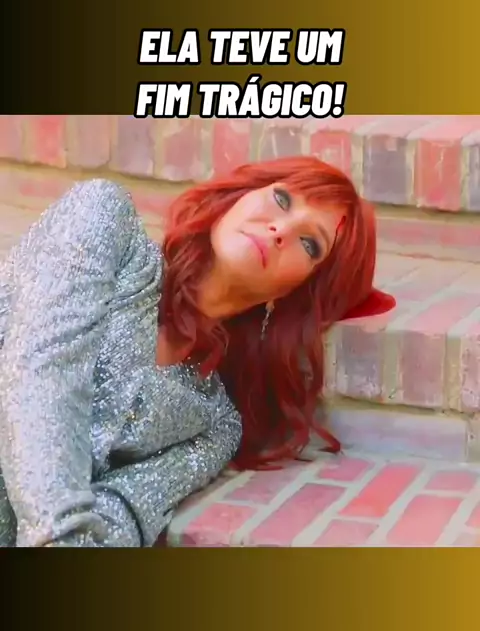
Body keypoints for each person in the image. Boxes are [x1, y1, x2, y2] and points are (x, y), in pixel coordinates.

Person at [0, 155, 395, 548]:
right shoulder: (104, 217)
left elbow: (125, 513)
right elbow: (42, 371)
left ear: (295, 293)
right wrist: (58, 537)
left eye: (310, 244)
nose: (281, 228)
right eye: (282, 199)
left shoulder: (216, 423)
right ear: (237, 199)